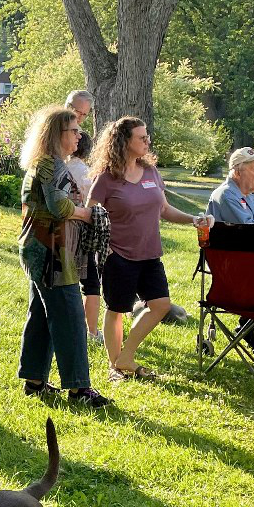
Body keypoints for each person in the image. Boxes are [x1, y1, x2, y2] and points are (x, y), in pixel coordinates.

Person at [88, 116, 208, 381]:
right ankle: (114, 366)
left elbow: (164, 209)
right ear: (124, 142)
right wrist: (104, 249)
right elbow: (90, 214)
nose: (147, 141)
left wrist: (192, 219)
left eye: (147, 136)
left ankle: (125, 356)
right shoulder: (106, 178)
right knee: (117, 309)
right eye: (141, 137)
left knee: (161, 304)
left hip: (150, 253)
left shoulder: (151, 172)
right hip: (118, 254)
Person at [16, 106, 110, 408]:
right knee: (70, 316)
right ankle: (80, 388)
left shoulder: (48, 164)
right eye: (73, 130)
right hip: (51, 252)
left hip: (42, 249)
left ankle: (34, 380)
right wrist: (88, 214)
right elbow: (60, 207)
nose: (79, 134)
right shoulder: (51, 165)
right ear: (58, 134)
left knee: (43, 314)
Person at [64, 127, 103, 343]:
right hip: (82, 231)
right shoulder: (87, 174)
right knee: (90, 283)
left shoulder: (61, 168)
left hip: (62, 233)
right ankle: (92, 331)